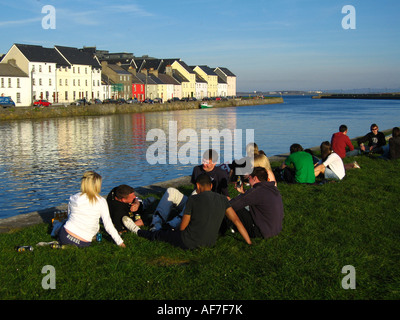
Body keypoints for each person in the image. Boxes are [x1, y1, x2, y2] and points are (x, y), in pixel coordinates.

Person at [122, 173, 252, 250]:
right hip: (210, 242)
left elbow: (183, 227)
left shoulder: (193, 200)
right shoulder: (223, 199)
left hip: (189, 242)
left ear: (198, 186)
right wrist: (249, 242)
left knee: (159, 235)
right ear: (211, 186)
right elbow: (237, 221)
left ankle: (137, 231)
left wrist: (173, 233)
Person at [150, 149, 229, 230]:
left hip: (208, 206)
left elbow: (226, 196)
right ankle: (156, 223)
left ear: (215, 163)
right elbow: (195, 190)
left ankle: (173, 224)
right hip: (194, 203)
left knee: (195, 193)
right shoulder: (197, 169)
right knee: (171, 191)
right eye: (203, 161)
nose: (204, 164)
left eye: (208, 162)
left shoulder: (221, 174)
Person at [58, 171, 125, 248]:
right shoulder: (101, 201)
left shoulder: (74, 197)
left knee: (62, 223)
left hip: (65, 236)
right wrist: (120, 242)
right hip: (82, 242)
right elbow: (108, 225)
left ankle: (59, 241)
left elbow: (69, 217)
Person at [228, 167, 284, 239]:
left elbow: (234, 204)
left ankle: (225, 227)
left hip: (261, 232)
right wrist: (243, 192)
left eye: (249, 178)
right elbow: (256, 199)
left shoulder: (257, 191)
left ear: (255, 178)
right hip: (275, 229)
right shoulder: (272, 188)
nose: (248, 181)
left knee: (234, 209)